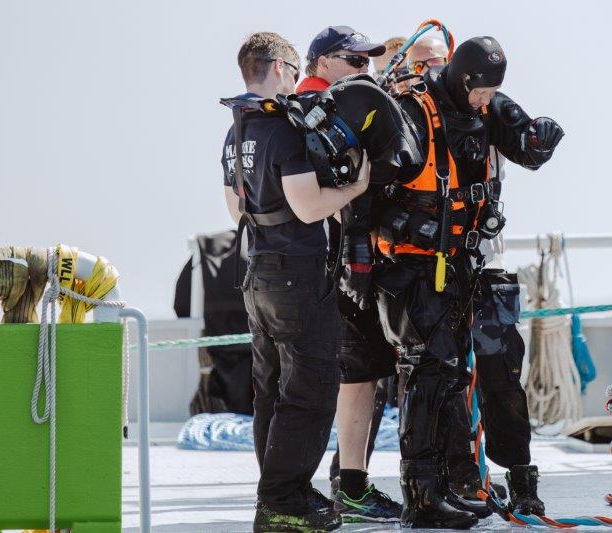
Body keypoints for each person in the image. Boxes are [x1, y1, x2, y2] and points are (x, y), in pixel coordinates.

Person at [369, 36, 564, 528]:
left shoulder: (491, 107)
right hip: (423, 267)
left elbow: (527, 150)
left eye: (434, 58)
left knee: (495, 372)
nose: (484, 100)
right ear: (459, 77)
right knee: (432, 373)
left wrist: (541, 137)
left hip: (477, 263)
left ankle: (514, 481)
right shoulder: (413, 111)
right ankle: (431, 489)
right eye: (422, 61)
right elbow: (373, 191)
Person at [221, 31, 370, 532]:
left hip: (257, 273)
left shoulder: (237, 127)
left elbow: (236, 209)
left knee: (270, 390)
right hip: (297, 274)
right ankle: (282, 500)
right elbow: (308, 207)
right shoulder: (284, 125)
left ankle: (280, 494)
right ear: (281, 67)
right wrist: (355, 187)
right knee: (310, 389)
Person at [296, 26, 404, 523]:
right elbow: (352, 185)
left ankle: (296, 491)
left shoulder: (291, 112)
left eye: (368, 63)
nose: (365, 71)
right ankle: (351, 488)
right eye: (354, 61)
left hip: (298, 268)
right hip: (335, 267)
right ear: (321, 63)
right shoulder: (322, 113)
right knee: (359, 374)